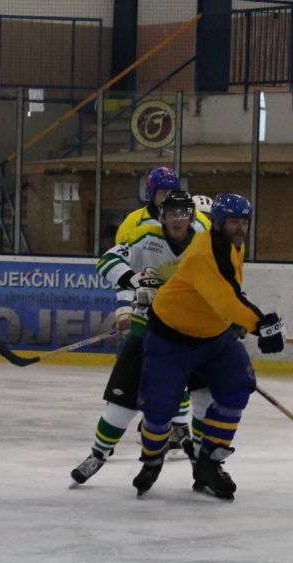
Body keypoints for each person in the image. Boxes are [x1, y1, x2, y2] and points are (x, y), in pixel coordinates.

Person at [131, 192, 286, 501]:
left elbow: (228, 295)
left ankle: (209, 464)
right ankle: (152, 459)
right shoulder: (206, 252)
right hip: (170, 339)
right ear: (217, 222)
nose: (240, 228)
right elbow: (226, 300)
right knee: (159, 409)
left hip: (214, 338)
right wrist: (259, 325)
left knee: (238, 388)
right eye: (233, 222)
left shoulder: (232, 244)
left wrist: (242, 321)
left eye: (244, 222)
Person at [70, 190, 204, 485]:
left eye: (184, 213)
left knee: (199, 399)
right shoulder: (146, 238)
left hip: (184, 337)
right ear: (162, 217)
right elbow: (107, 261)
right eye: (172, 213)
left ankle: (202, 461)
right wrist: (133, 280)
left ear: (192, 216)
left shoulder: (204, 244)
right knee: (120, 406)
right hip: (146, 334)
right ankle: (98, 454)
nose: (178, 219)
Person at [115, 166, 212, 245]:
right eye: (163, 192)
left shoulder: (199, 221)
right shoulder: (134, 222)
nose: (168, 196)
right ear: (152, 194)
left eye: (172, 192)